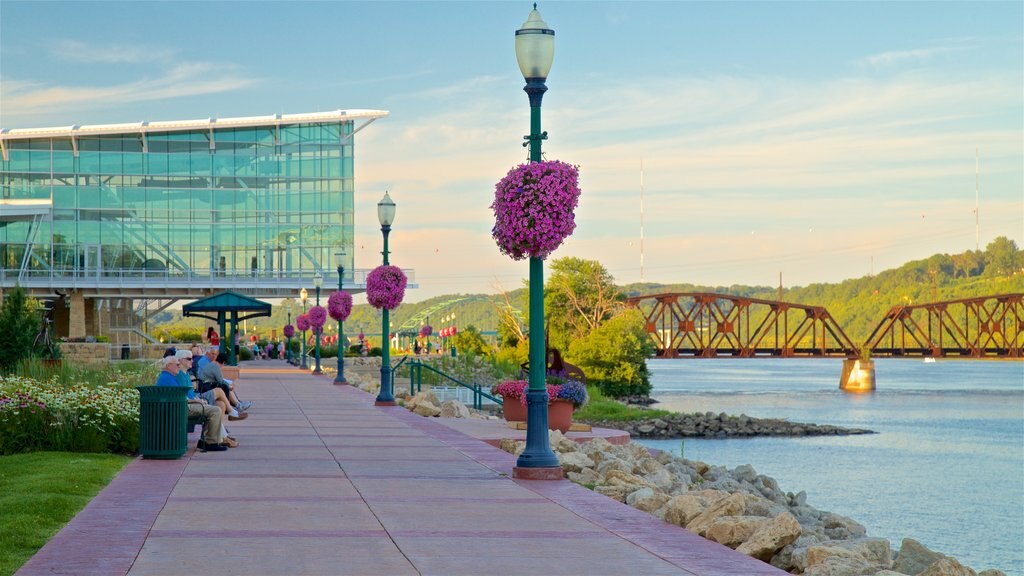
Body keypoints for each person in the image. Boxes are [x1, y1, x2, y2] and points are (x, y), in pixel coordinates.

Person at [155, 355, 227, 452]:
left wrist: (197, 400)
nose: (179, 366)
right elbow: (180, 398)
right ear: (168, 366)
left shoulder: (167, 377)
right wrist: (197, 401)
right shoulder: (167, 378)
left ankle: (206, 441)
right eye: (177, 364)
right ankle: (210, 442)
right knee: (215, 410)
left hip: (176, 407)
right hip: (179, 409)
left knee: (212, 407)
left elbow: (180, 396)